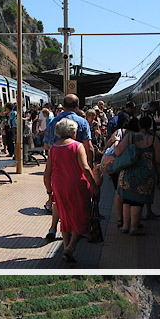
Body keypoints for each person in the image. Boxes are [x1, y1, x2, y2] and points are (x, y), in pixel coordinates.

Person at [44, 117, 99, 263]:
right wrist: (94, 185)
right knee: (81, 215)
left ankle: (66, 249)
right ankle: (71, 247)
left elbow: (47, 172)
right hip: (77, 185)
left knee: (65, 216)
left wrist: (49, 192)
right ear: (72, 132)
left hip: (59, 186)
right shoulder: (77, 146)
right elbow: (85, 168)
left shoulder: (53, 148)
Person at [43, 94, 96, 241]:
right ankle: (75, 235)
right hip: (77, 170)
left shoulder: (54, 121)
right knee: (78, 203)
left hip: (57, 171)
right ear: (77, 106)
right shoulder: (83, 122)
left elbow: (47, 145)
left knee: (58, 201)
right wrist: (91, 164)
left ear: (63, 106)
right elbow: (89, 147)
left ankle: (54, 228)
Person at [113, 113, 160, 236]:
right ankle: (134, 228)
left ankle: (125, 226)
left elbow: (118, 151)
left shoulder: (130, 136)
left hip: (128, 171)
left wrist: (115, 143)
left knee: (127, 199)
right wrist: (159, 176)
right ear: (151, 126)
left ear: (139, 125)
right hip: (146, 174)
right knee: (138, 200)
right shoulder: (154, 140)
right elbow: (158, 161)